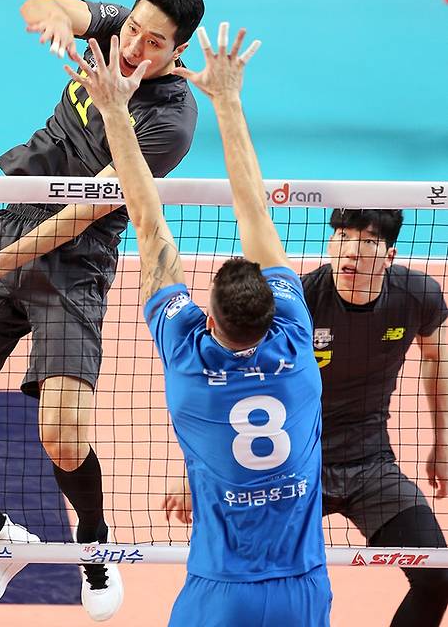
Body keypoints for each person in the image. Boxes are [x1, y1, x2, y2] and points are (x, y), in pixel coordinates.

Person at [0, 0, 205, 620]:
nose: (134, 48)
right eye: (134, 29)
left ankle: (94, 545)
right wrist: (58, 18)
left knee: (63, 438)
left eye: (155, 43)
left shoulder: (170, 121)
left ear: (179, 52)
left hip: (76, 263)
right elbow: (42, 5)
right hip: (12, 221)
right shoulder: (115, 29)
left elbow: (83, 212)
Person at [68, 24, 331, 625]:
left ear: (208, 317)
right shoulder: (296, 339)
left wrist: (114, 111)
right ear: (277, 311)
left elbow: (146, 219)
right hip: (303, 588)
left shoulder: (188, 358)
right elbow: (254, 207)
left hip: (222, 589)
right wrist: (229, 100)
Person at [165, 208, 448, 627]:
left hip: (371, 464)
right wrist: (194, 472)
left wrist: (443, 443)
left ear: (389, 255)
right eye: (342, 236)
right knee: (241, 574)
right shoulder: (299, 303)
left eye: (367, 241)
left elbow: (437, 355)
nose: (351, 251)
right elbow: (233, 379)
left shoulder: (417, 295)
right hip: (293, 472)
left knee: (438, 578)